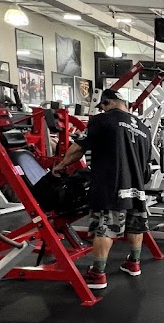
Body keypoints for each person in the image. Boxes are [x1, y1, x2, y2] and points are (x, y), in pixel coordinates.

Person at [52, 88, 152, 291]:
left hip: (111, 185)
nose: (103, 109)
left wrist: (61, 166)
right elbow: (146, 164)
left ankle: (97, 274)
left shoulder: (102, 120)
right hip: (137, 187)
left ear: (108, 102)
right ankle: (134, 263)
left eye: (103, 106)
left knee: (104, 227)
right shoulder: (143, 128)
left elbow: (78, 148)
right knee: (135, 225)